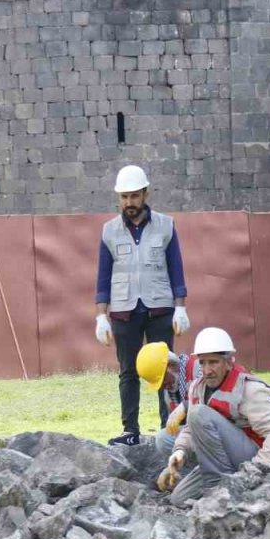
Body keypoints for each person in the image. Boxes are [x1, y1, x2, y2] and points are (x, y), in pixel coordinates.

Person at [95, 164, 189, 447]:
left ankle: (167, 427)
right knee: (128, 371)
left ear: (145, 194)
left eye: (134, 196)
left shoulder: (166, 225)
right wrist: (101, 316)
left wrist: (181, 306)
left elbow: (176, 268)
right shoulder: (109, 231)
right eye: (124, 197)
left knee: (167, 370)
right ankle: (130, 430)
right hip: (124, 311)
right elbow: (103, 276)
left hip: (160, 308)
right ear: (118, 198)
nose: (129, 203)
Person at [158, 327, 270, 507]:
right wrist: (179, 452)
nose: (207, 370)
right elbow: (192, 427)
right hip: (221, 458)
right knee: (179, 499)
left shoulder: (248, 388)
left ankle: (221, 488)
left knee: (197, 412)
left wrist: (259, 469)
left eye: (213, 362)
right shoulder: (197, 387)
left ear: (229, 362)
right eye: (202, 363)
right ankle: (219, 483)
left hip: (249, 458)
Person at [135, 340, 200, 453]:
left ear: (171, 365)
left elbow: (211, 404)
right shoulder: (168, 395)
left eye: (162, 380)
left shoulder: (198, 369)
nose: (163, 387)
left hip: (213, 431)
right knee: (163, 438)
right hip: (192, 434)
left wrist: (185, 406)